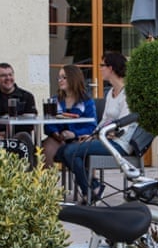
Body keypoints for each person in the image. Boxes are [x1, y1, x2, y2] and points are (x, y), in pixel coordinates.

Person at [61, 52, 137, 203]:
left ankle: (91, 189)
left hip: (119, 144)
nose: (100, 69)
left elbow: (125, 126)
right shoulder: (111, 93)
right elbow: (104, 121)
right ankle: (93, 187)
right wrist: (92, 135)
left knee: (70, 151)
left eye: (102, 65)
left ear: (111, 68)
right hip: (105, 139)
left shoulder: (127, 94)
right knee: (65, 150)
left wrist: (104, 135)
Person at [42, 64, 97, 166]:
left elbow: (92, 127)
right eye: (59, 77)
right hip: (58, 139)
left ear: (73, 78)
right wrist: (55, 133)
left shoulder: (87, 102)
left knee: (82, 150)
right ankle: (48, 181)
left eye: (64, 77)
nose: (60, 80)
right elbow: (47, 125)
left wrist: (74, 134)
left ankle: (85, 181)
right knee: (45, 149)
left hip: (79, 138)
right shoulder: (54, 100)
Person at [0, 62, 38, 134]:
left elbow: (30, 124)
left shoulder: (27, 96)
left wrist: (5, 130)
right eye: (3, 75)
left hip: (19, 138)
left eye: (10, 75)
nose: (8, 78)